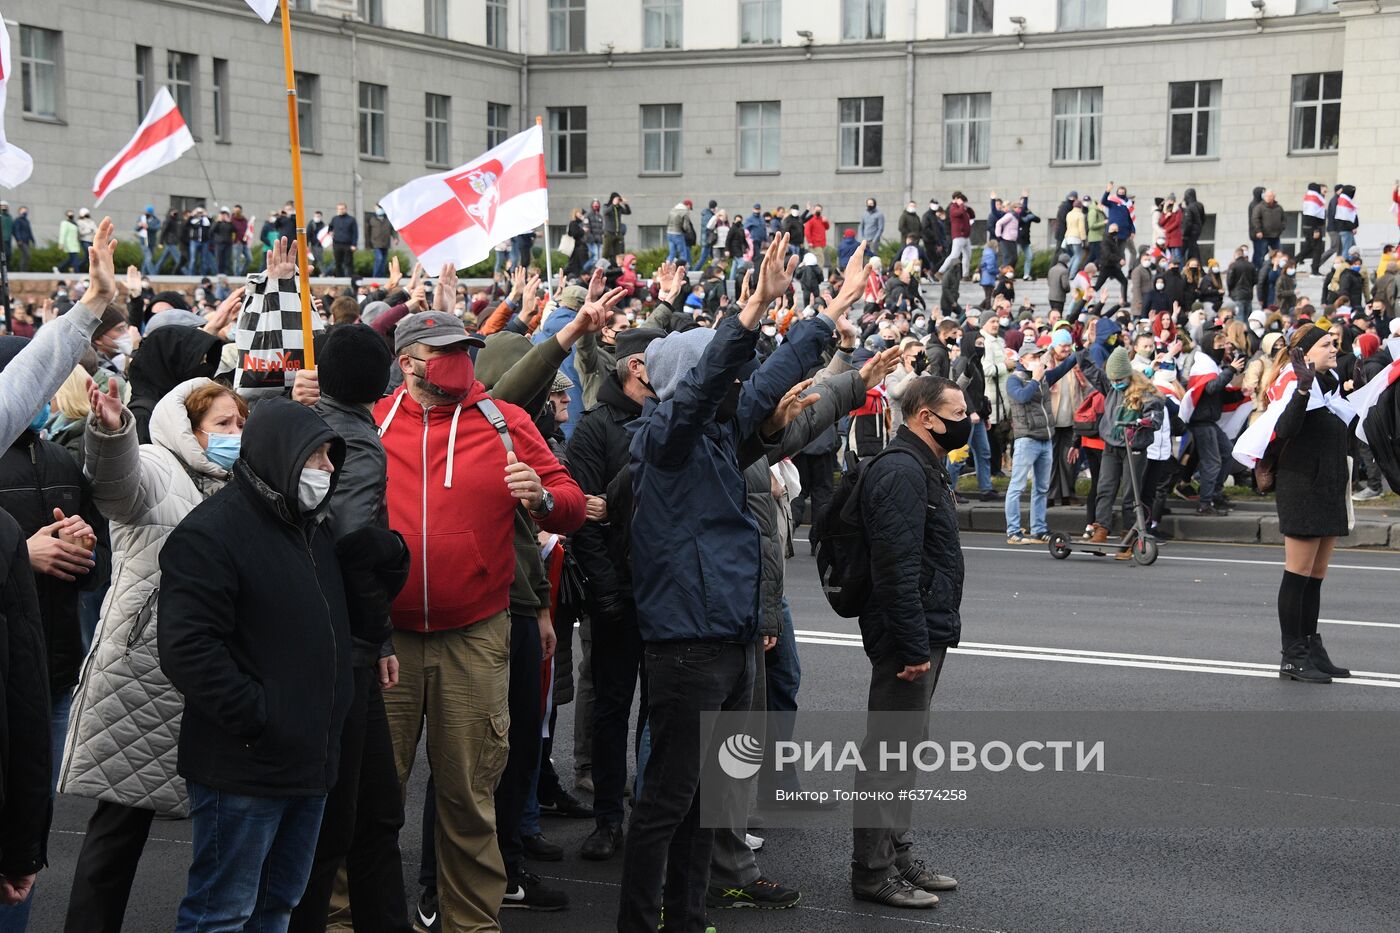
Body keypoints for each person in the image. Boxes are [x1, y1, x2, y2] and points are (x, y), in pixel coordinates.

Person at [618, 233, 868, 932]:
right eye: (721, 373)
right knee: (667, 802)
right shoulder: (665, 438)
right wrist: (751, 310)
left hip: (728, 640)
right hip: (687, 647)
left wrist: (828, 314)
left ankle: (686, 915)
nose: (739, 385)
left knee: (704, 802)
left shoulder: (718, 434)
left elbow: (763, 381)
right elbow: (711, 383)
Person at [375, 310, 585, 930]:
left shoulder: (504, 420)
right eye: (446, 352)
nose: (461, 362)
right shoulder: (370, 420)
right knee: (372, 796)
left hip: (475, 635)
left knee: (470, 796)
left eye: (467, 350)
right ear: (408, 362)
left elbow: (571, 503)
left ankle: (470, 922)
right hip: (386, 642)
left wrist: (543, 497)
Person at [157, 397, 354, 933]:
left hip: (308, 761)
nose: (327, 470)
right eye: (316, 456)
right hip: (246, 765)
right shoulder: (211, 533)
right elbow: (187, 648)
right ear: (281, 454)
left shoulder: (310, 529)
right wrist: (260, 717)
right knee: (222, 912)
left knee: (277, 905)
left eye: (330, 457)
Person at [60, 378, 244, 933]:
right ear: (188, 428)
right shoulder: (158, 466)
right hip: (145, 674)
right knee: (119, 828)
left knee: (227, 836)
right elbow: (117, 485)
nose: (235, 433)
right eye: (222, 424)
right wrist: (113, 432)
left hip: (219, 672)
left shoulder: (243, 482)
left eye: (241, 423)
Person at [285, 325, 415, 933]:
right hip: (347, 650)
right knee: (352, 819)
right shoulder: (356, 443)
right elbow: (355, 544)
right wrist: (378, 633)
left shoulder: (305, 422)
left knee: (367, 812)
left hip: (333, 639)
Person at [850, 374, 966, 909]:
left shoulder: (923, 465)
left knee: (905, 749)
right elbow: (895, 569)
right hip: (906, 634)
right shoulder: (901, 471)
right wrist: (914, 645)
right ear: (925, 417)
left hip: (922, 626)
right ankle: (873, 872)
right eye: (958, 413)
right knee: (889, 753)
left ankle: (896, 854)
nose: (968, 421)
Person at [1245, 325, 1354, 683]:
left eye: (1334, 343)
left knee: (1315, 577)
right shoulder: (1295, 382)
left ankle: (1311, 647)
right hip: (1303, 487)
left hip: (1327, 487)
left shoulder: (1329, 383)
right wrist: (1303, 389)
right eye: (1326, 344)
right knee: (1297, 574)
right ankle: (1292, 656)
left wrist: (1355, 389)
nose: (1334, 348)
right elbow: (1286, 428)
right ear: (1306, 354)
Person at [1004, 342, 1079, 544]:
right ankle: (1013, 531)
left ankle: (1038, 528)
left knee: (1042, 488)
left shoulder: (1044, 376)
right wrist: (1036, 379)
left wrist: (1081, 346)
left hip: (1045, 439)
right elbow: (1022, 397)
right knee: (1017, 487)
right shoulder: (1014, 380)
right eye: (1033, 357)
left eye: (1039, 357)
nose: (1037, 360)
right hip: (1026, 439)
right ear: (1022, 360)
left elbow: (1067, 365)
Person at [936, 192, 974, 280]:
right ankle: (940, 272)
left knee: (968, 255)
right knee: (954, 255)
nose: (964, 203)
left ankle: (965, 275)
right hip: (958, 235)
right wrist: (961, 205)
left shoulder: (963, 208)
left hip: (965, 236)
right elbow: (958, 213)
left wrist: (968, 208)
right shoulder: (953, 207)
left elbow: (972, 215)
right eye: (963, 201)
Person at [329, 203, 358, 278]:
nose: (340, 210)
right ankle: (339, 278)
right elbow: (330, 228)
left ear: (345, 209)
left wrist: (354, 244)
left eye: (342, 209)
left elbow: (355, 233)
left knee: (348, 262)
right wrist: (330, 232)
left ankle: (349, 278)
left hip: (348, 244)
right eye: (339, 209)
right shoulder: (334, 219)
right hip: (337, 244)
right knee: (337, 262)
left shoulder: (351, 219)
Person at [367, 205, 394, 278]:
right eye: (377, 208)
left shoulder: (388, 219)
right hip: (376, 243)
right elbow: (368, 231)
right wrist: (368, 243)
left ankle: (381, 276)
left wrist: (395, 238)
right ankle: (376, 276)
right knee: (379, 258)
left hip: (385, 242)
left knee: (383, 260)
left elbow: (392, 230)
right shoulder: (372, 219)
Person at [603, 192, 630, 262]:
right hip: (609, 233)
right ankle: (601, 266)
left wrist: (625, 204)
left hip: (618, 233)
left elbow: (628, 212)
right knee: (606, 252)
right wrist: (613, 205)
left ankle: (617, 266)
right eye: (617, 198)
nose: (618, 200)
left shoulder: (619, 208)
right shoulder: (606, 206)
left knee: (618, 253)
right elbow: (605, 212)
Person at [666, 199, 693, 265]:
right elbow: (686, 226)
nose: (689, 209)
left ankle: (666, 266)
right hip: (678, 234)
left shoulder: (672, 210)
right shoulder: (685, 212)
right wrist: (689, 232)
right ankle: (682, 269)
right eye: (690, 208)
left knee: (672, 253)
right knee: (683, 254)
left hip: (669, 233)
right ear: (688, 205)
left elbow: (667, 222)